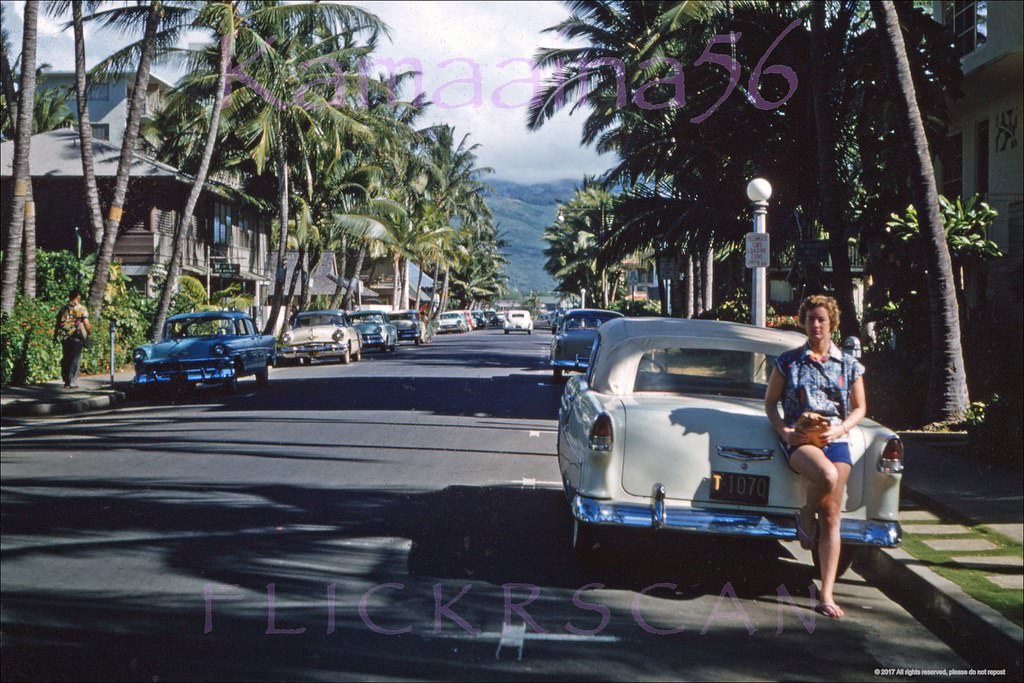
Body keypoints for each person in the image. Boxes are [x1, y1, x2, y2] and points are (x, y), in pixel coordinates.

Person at [764, 294, 866, 619]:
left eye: (822, 319)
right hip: (802, 438)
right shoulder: (789, 361)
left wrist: (839, 430)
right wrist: (784, 431)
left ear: (832, 323)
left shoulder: (848, 365)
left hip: (834, 437)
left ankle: (826, 593)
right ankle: (806, 516)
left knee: (833, 515)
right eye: (811, 319)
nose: (816, 325)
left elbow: (861, 407)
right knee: (826, 476)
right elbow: (770, 403)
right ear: (803, 322)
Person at [53, 288, 91, 389]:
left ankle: (66, 380)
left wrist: (55, 336)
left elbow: (57, 323)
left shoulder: (63, 308)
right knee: (75, 359)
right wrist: (88, 334)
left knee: (66, 358)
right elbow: (86, 323)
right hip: (76, 337)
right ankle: (72, 381)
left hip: (64, 337)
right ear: (78, 296)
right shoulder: (81, 309)